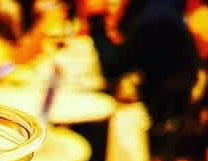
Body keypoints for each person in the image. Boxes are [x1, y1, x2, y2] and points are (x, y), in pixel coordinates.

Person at [85, 0, 199, 129]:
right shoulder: (157, 8)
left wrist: (96, 19)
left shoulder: (154, 17)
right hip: (166, 99)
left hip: (166, 115)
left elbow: (113, 68)